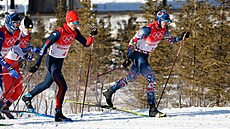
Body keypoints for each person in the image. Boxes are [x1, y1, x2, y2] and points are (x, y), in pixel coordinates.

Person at [103, 10, 189, 117]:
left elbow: (170, 40)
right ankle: (152, 109)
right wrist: (129, 57)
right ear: (159, 20)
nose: (167, 23)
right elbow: (133, 41)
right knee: (152, 79)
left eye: (168, 21)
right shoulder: (147, 29)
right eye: (165, 21)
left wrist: (181, 37)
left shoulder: (164, 29)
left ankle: (110, 91)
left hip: (145, 56)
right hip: (138, 54)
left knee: (130, 78)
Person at [22, 10, 98, 122]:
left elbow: (86, 44)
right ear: (69, 21)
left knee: (46, 84)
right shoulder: (59, 32)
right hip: (52, 62)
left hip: (59, 62)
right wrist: (37, 64)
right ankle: (58, 113)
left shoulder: (74, 32)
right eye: (74, 23)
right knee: (63, 86)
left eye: (77, 23)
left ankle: (28, 97)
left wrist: (91, 35)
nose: (76, 25)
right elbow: (44, 47)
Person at [0, 16, 34, 119]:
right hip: (5, 64)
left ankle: (5, 108)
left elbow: (16, 47)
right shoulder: (2, 33)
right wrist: (8, 67)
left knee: (18, 90)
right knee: (7, 91)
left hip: (11, 64)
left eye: (19, 23)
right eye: (16, 23)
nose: (18, 25)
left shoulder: (16, 33)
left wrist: (24, 56)